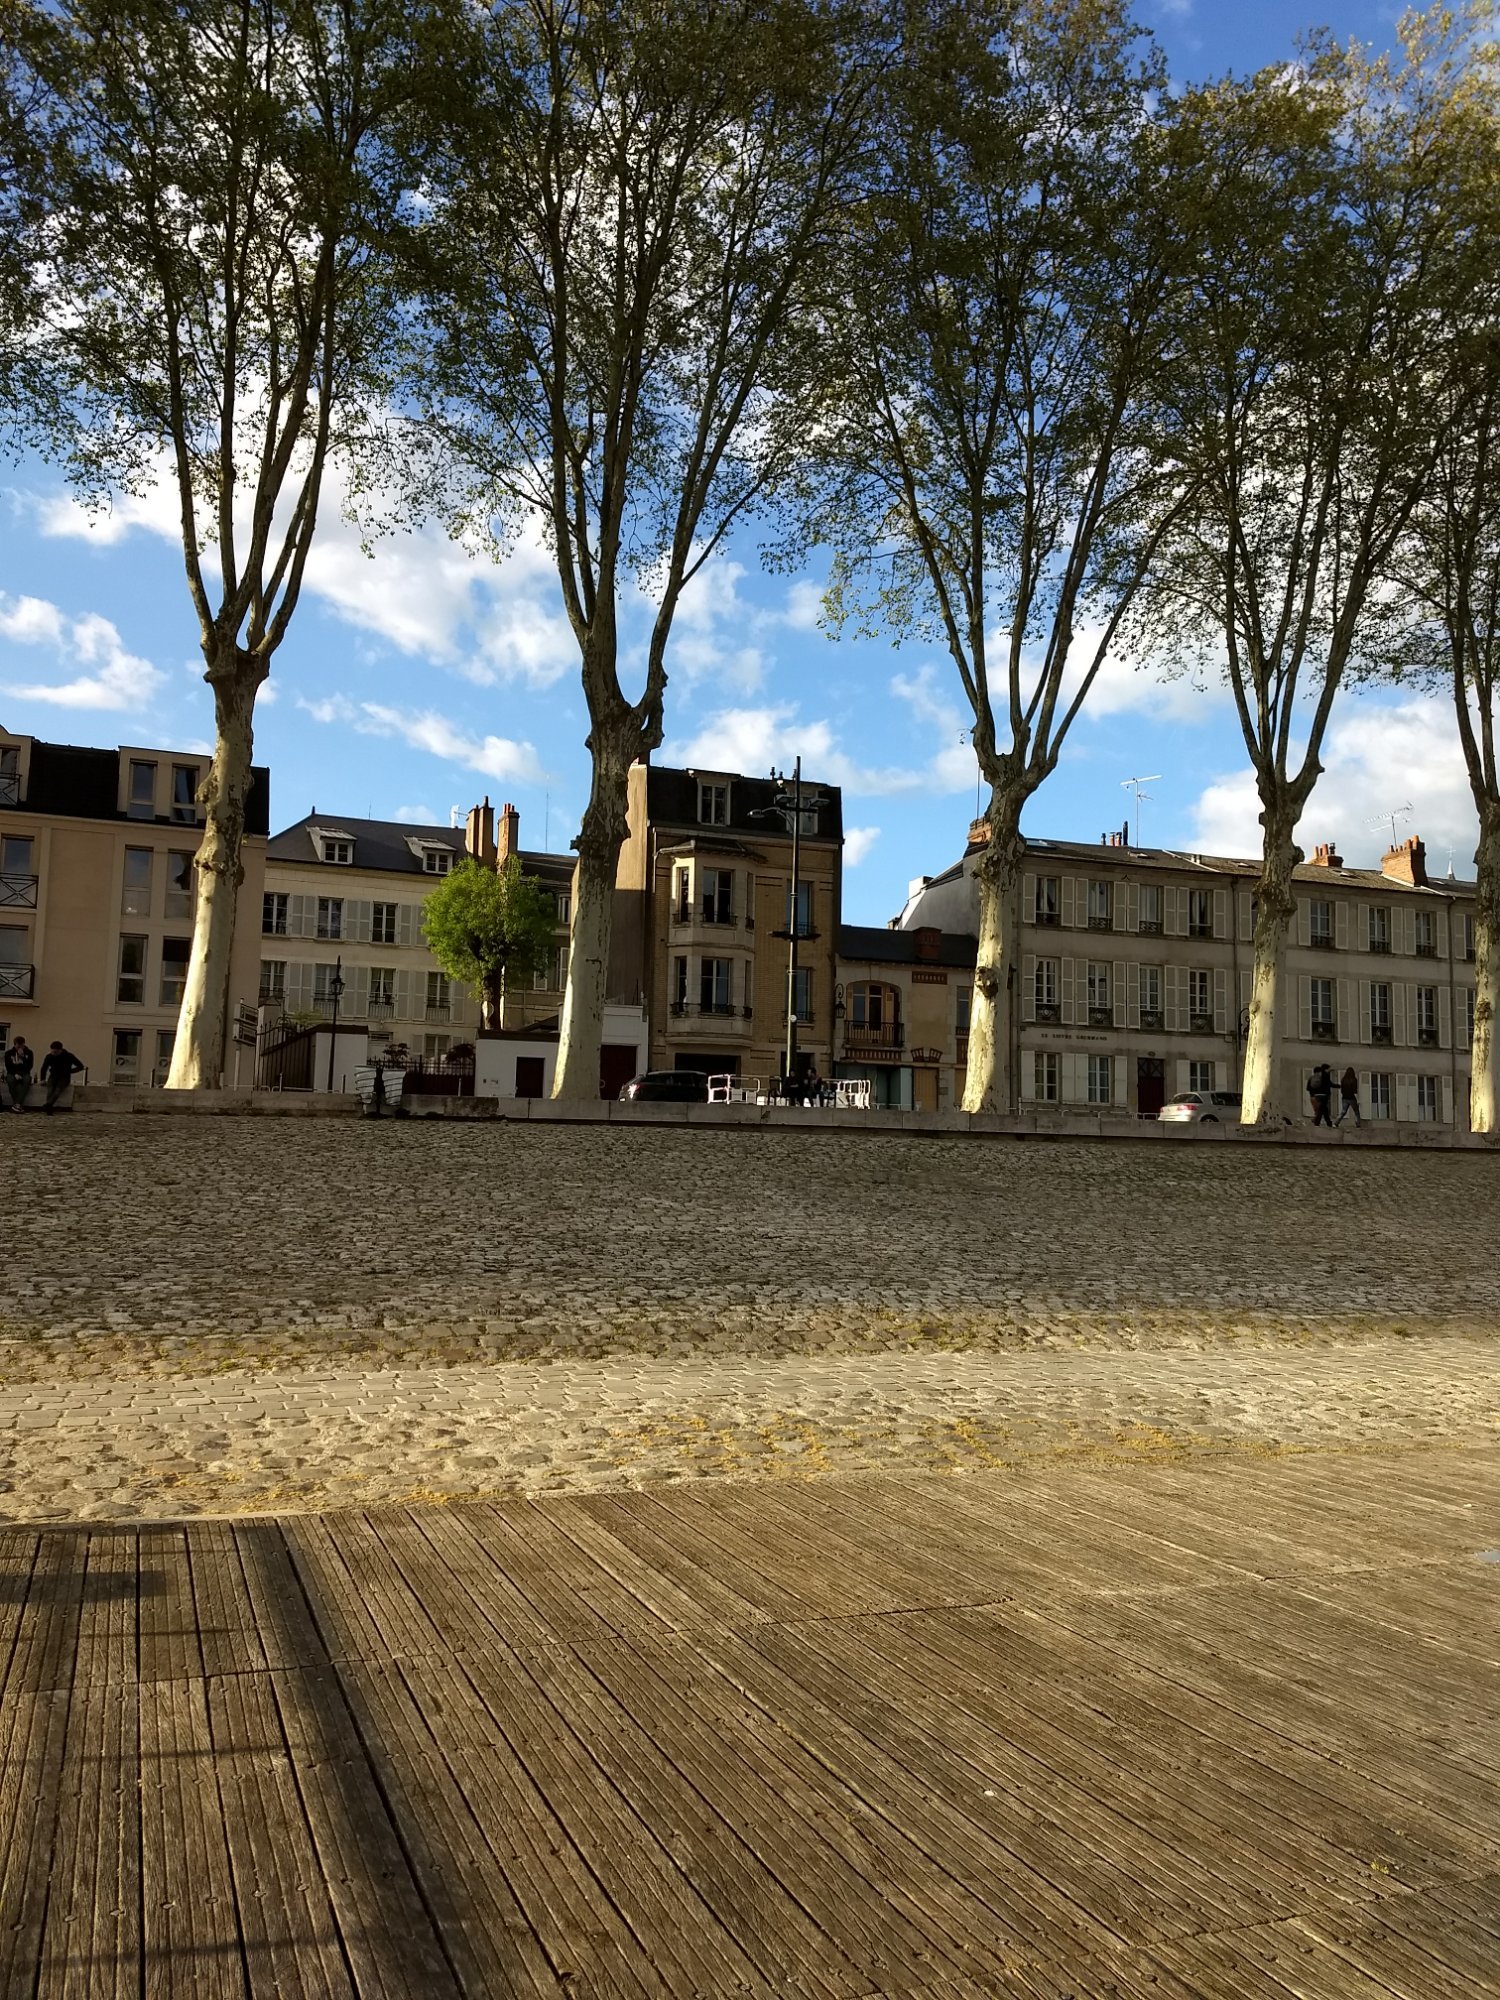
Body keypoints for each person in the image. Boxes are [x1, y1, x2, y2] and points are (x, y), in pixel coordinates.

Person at [39, 1041, 83, 1113]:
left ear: (60, 1050)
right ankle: (48, 1106)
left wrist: (70, 1071)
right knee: (50, 1091)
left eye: (56, 1052)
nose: (54, 1053)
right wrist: (42, 1079)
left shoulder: (69, 1056)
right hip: (53, 1076)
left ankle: (48, 1105)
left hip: (64, 1077)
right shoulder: (49, 1057)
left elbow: (80, 1066)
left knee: (57, 1091)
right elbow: (44, 1068)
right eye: (52, 1051)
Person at [4, 1035, 33, 1112]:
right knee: (10, 1080)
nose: (20, 1048)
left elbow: (29, 1066)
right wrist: (15, 1074)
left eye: (22, 1046)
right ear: (15, 1045)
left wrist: (23, 1057)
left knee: (27, 1080)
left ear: (24, 1044)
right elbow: (8, 1066)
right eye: (18, 1046)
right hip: (12, 1072)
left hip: (24, 1072)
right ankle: (18, 1104)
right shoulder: (8, 1053)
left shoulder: (29, 1053)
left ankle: (17, 1104)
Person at [1307, 1062, 1334, 1127]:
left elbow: (1308, 1088)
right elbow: (1328, 1085)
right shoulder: (1321, 1078)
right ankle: (1318, 1123)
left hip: (1312, 1097)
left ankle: (1324, 1122)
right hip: (1320, 1097)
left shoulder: (1311, 1078)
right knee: (1321, 1110)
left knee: (1321, 1110)